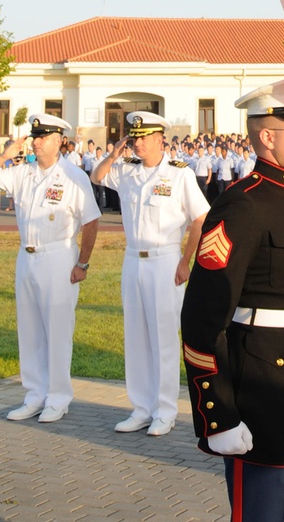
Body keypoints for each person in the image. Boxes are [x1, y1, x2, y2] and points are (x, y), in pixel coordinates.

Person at [181, 80, 284, 522]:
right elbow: (202, 318)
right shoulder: (242, 205)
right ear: (268, 137)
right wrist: (218, 413)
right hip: (261, 388)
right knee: (266, 509)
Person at [0, 113, 100, 423]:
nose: (37, 141)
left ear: (59, 141)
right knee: (29, 330)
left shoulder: (73, 176)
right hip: (26, 257)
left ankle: (58, 397)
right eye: (35, 136)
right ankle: (34, 394)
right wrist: (5, 155)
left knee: (57, 330)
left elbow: (91, 220)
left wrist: (82, 262)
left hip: (59, 257)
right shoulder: (22, 173)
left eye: (43, 137)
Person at [91, 111, 208, 436]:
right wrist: (114, 154)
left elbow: (200, 220)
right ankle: (141, 407)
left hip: (165, 260)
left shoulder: (179, 174)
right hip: (133, 261)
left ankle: (165, 410)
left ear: (160, 140)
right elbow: (97, 177)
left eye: (143, 138)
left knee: (164, 338)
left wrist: (186, 261)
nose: (137, 143)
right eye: (134, 137)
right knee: (137, 336)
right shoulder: (127, 172)